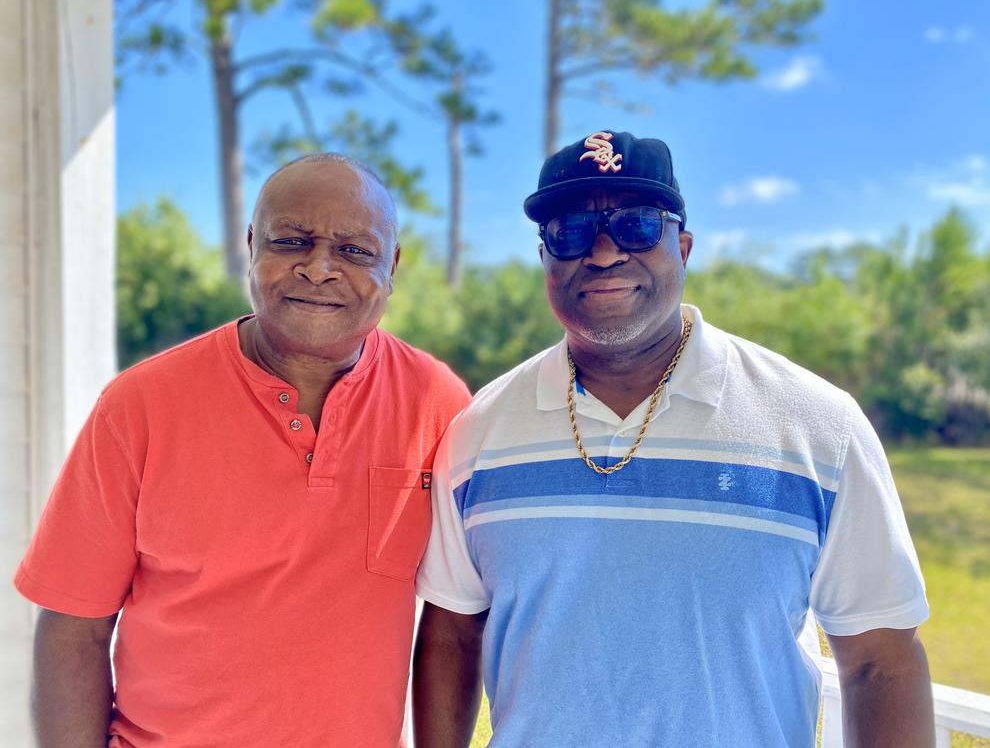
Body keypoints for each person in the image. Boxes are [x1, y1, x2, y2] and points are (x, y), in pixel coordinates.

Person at [412, 131, 934, 747]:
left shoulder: (819, 424)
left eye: (636, 225)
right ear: (544, 257)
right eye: (571, 231)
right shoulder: (479, 431)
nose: (604, 253)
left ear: (681, 246)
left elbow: (880, 658)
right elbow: (452, 631)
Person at [15, 153, 470, 748]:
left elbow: (456, 623)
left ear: (393, 264)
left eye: (356, 250)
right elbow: (74, 628)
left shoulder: (438, 405)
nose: (319, 269)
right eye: (293, 241)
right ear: (253, 245)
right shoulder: (140, 406)